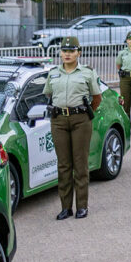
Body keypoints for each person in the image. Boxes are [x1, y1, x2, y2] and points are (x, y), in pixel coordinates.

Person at [44, 37, 102, 220]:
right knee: (63, 165)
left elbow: (96, 98)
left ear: (79, 53)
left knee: (80, 164)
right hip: (59, 120)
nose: (67, 54)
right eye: (64, 51)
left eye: (71, 50)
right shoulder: (53, 73)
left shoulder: (87, 73)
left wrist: (83, 112)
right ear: (60, 53)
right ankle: (65, 207)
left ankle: (82, 206)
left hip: (80, 120)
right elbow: (49, 94)